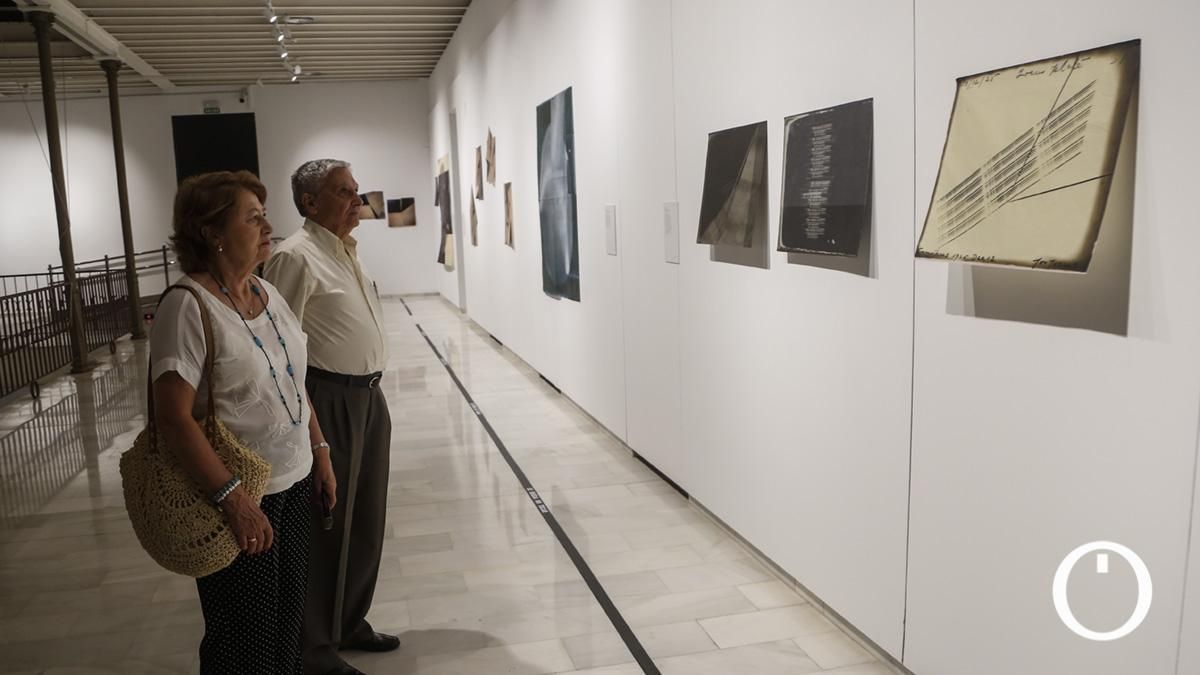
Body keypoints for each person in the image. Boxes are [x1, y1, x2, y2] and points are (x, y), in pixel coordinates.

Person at [151, 170, 338, 674]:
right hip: (239, 494)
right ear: (212, 232)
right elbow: (173, 418)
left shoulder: (266, 292)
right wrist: (232, 498)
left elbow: (294, 381)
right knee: (243, 640)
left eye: (264, 213)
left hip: (293, 483)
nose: (267, 224)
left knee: (286, 624)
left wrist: (319, 453)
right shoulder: (188, 307)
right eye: (252, 217)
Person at [262, 159, 396, 675]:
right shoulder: (296, 257)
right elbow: (280, 347)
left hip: (368, 398)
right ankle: (314, 645)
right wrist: (307, 428)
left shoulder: (346, 251)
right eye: (344, 192)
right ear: (310, 202)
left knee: (366, 517)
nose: (356, 200)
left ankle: (348, 620)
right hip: (328, 399)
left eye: (356, 190)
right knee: (327, 523)